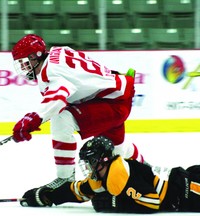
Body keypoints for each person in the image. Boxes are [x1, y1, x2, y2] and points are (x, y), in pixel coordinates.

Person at [11, 34, 146, 189]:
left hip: (111, 102)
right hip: (115, 94)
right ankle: (146, 168)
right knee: (117, 151)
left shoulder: (50, 72)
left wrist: (32, 120)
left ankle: (65, 179)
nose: (23, 68)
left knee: (61, 119)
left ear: (36, 56)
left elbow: (58, 99)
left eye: (25, 62)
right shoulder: (58, 51)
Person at [19, 136, 200, 213]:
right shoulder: (103, 176)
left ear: (103, 160)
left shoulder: (119, 175)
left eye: (90, 162)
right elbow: (78, 190)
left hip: (188, 192)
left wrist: (115, 203)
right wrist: (45, 195)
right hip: (185, 181)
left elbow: (152, 201)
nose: (88, 167)